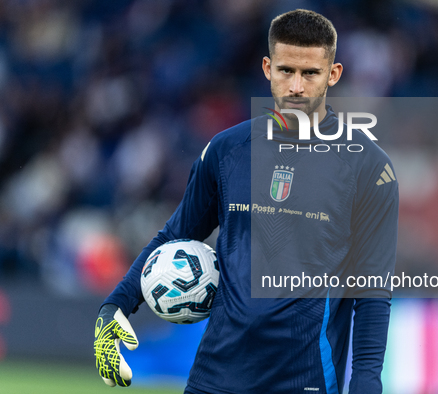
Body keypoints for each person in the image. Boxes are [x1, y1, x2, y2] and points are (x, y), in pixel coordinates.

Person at [94, 9, 398, 394]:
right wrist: (115, 306)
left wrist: (367, 382)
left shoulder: (369, 168)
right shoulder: (227, 150)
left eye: (311, 73)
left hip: (305, 380)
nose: (297, 87)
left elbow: (371, 292)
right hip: (215, 377)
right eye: (286, 71)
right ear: (268, 68)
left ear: (333, 74)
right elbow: (175, 234)